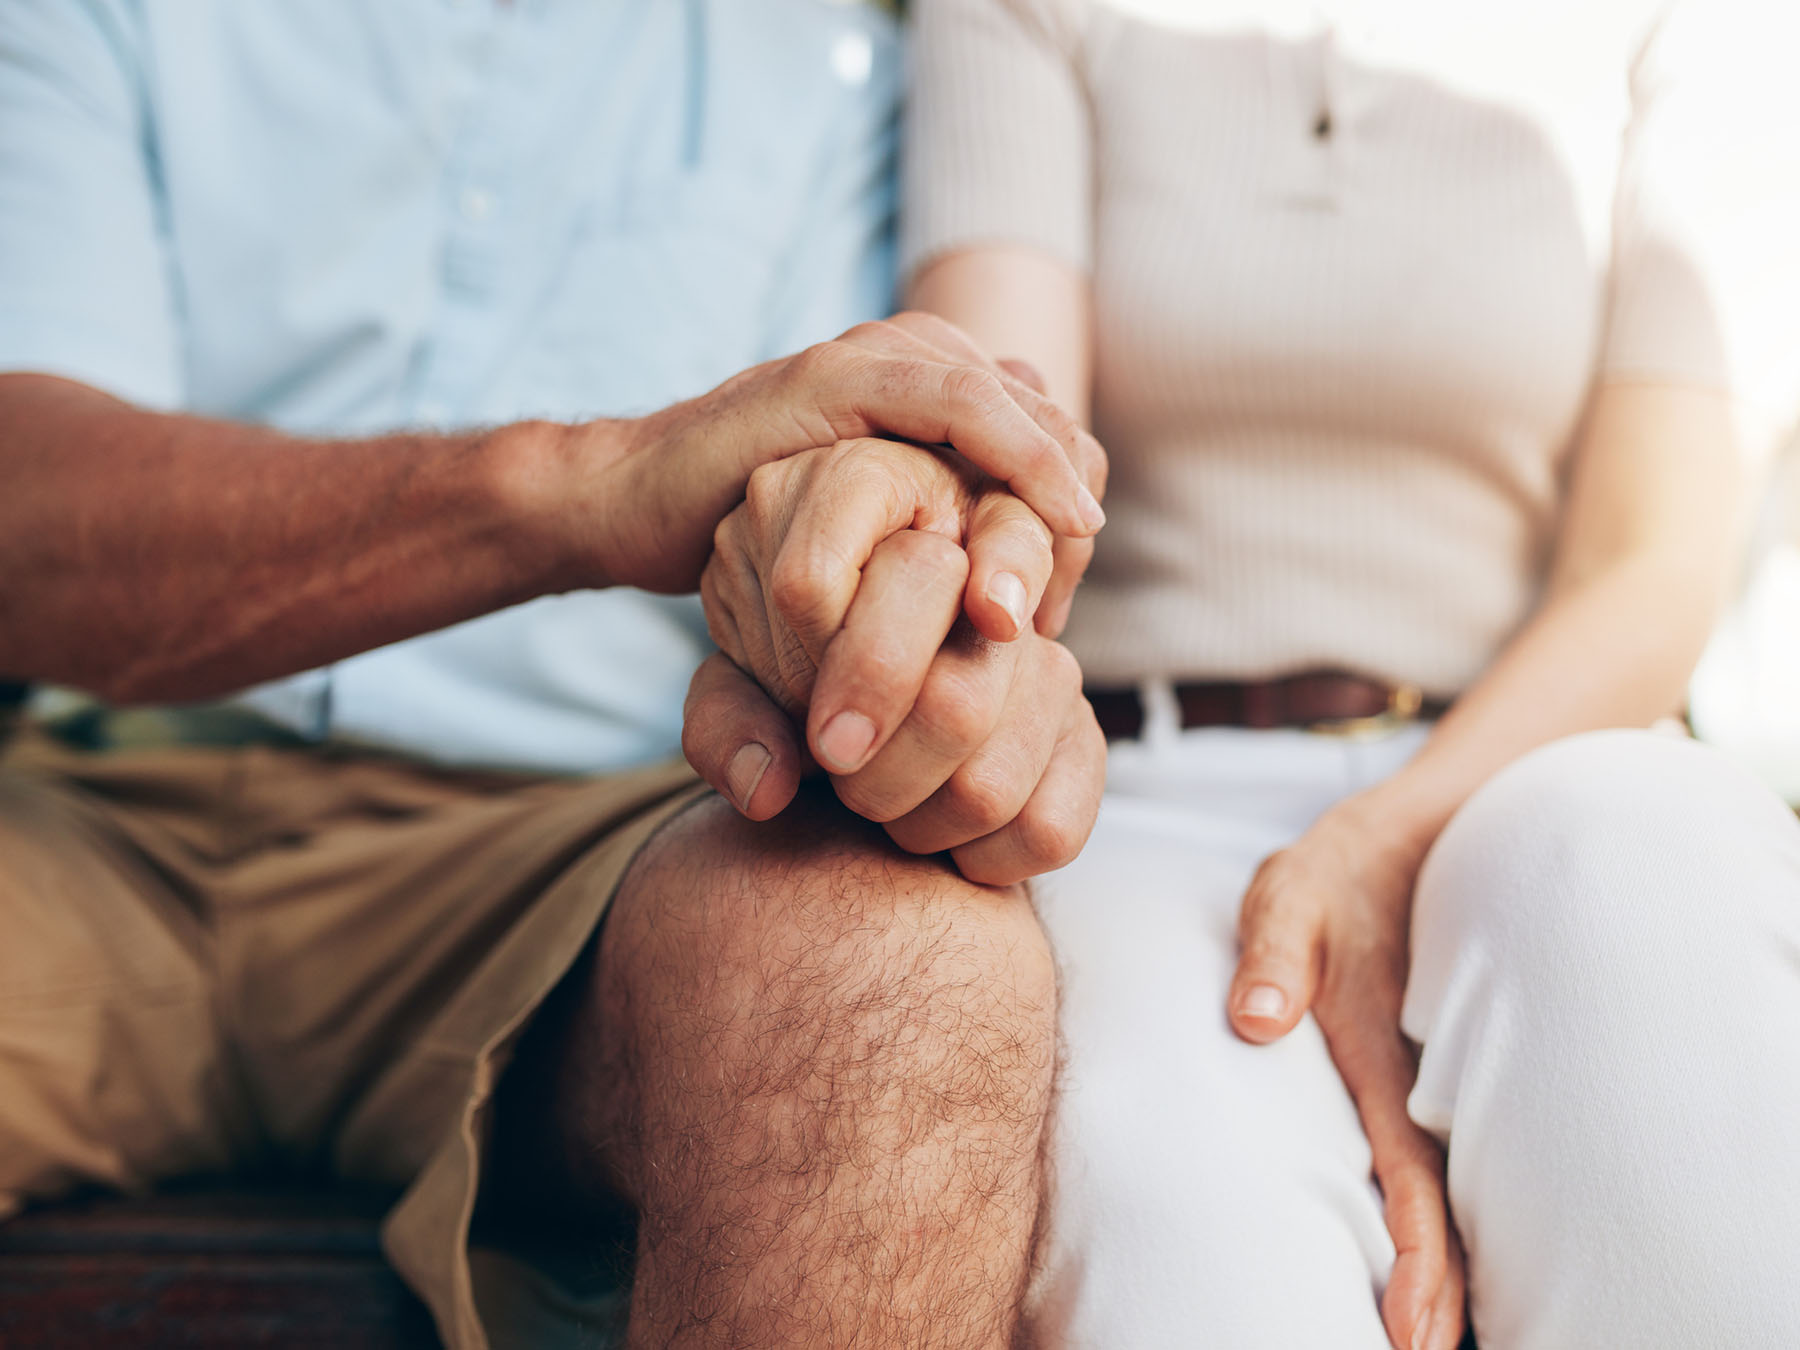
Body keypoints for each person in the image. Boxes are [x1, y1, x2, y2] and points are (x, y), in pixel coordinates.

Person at [0, 4, 1106, 1347]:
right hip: (93, 825)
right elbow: (25, 519)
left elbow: (854, 492)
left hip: (575, 853)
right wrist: (589, 486)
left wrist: (895, 610)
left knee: (898, 975)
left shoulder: (838, 63)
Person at [895, 0, 1800, 1345]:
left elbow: (1655, 561)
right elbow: (1002, 444)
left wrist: (1381, 838)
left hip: (1535, 754)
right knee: (1175, 1221)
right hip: (1135, 794)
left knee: (1647, 884)